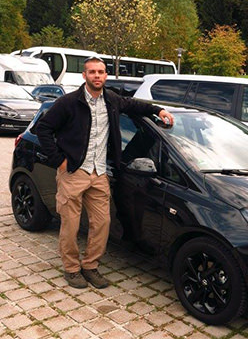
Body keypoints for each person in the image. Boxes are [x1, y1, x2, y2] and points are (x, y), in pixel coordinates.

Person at [36, 56, 174, 289]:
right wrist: (59, 160)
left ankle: (90, 266)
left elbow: (135, 105)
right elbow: (43, 129)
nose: (97, 76)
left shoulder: (112, 99)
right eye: (92, 72)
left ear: (106, 75)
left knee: (102, 223)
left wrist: (159, 110)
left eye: (101, 72)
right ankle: (71, 269)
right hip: (74, 172)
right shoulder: (68, 103)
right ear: (84, 75)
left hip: (99, 173)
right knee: (69, 225)